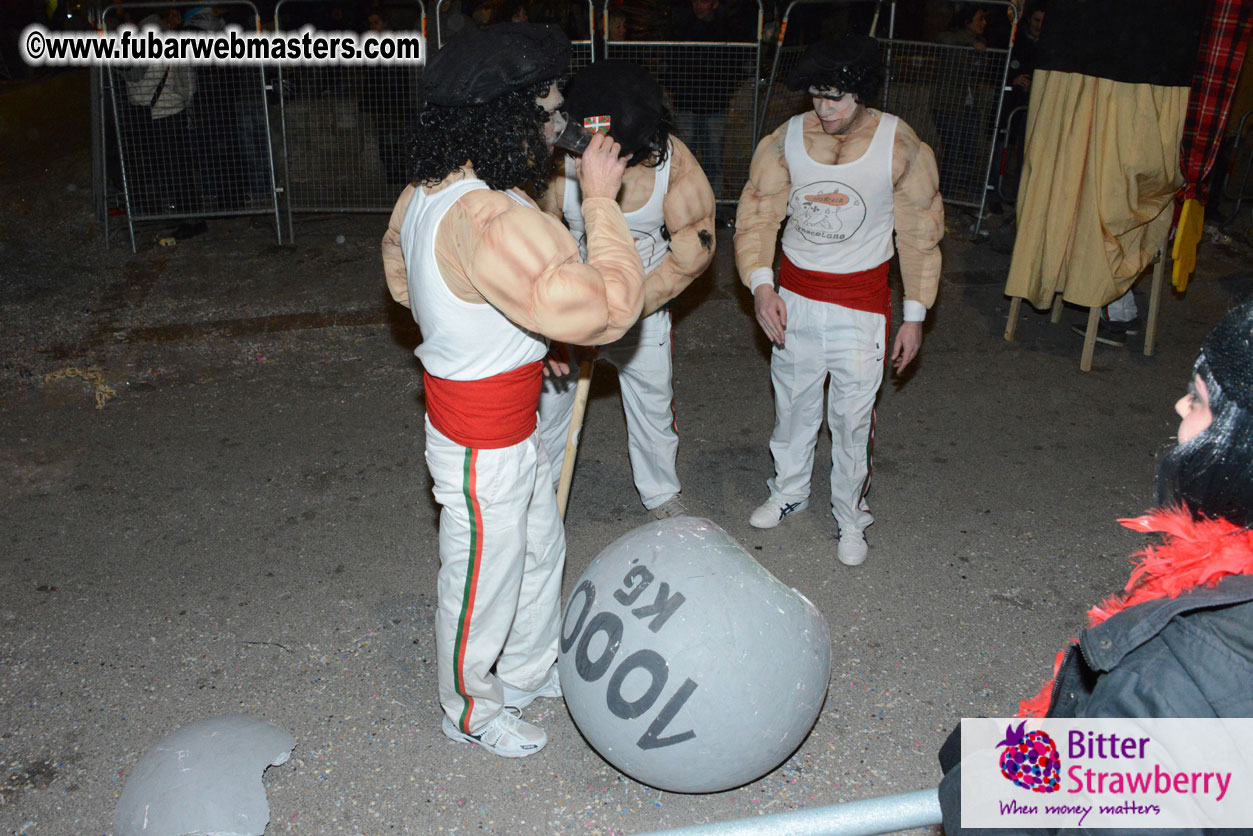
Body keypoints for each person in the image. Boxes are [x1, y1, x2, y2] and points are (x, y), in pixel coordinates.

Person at [380, 23, 649, 758]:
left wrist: (521, 340)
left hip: (505, 415)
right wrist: (601, 201)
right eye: (549, 104)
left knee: (537, 546)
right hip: (480, 436)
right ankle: (468, 708)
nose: (559, 121)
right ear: (509, 111)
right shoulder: (489, 216)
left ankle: (529, 671)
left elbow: (405, 284)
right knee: (479, 579)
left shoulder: (434, 188)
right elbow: (610, 310)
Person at [937, 298, 1253, 833]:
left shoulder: (1168, 683)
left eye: (1199, 400)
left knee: (966, 783)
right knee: (962, 753)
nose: (1179, 405)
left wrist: (977, 804)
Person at [735, 34, 944, 567]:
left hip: (861, 304)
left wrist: (915, 316)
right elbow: (758, 213)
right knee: (793, 408)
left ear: (863, 93)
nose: (824, 109)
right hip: (796, 298)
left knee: (852, 420)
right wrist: (762, 287)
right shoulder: (787, 138)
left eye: (837, 98)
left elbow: (919, 234)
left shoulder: (900, 144)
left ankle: (851, 515)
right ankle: (789, 491)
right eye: (816, 96)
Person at [536, 60, 716, 519]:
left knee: (653, 404)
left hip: (643, 309)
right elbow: (539, 233)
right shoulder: (563, 159)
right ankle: (542, 495)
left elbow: (692, 253)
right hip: (574, 309)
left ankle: (660, 494)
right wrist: (559, 316)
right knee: (552, 404)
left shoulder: (675, 165)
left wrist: (631, 306)